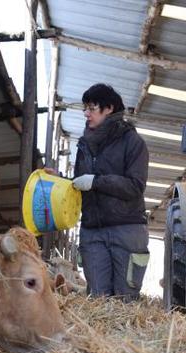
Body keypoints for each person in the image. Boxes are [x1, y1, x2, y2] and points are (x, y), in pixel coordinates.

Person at [71, 83, 150, 300]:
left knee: (125, 299)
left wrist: (97, 182)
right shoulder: (84, 146)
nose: (86, 113)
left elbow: (135, 186)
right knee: (98, 298)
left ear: (109, 109)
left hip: (127, 229)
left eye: (92, 108)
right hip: (93, 231)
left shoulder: (133, 142)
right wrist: (55, 181)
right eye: (85, 108)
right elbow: (79, 184)